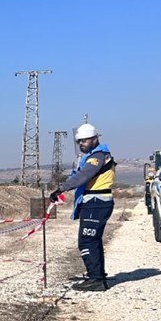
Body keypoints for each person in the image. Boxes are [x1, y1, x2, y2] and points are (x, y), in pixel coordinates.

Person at [49, 123, 114, 292]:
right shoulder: (94, 155)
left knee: (87, 240)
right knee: (94, 240)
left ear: (95, 138)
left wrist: (62, 189)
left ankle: (96, 279)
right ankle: (97, 275)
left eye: (84, 141)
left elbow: (83, 176)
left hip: (96, 203)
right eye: (79, 142)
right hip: (95, 202)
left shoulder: (97, 156)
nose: (81, 144)